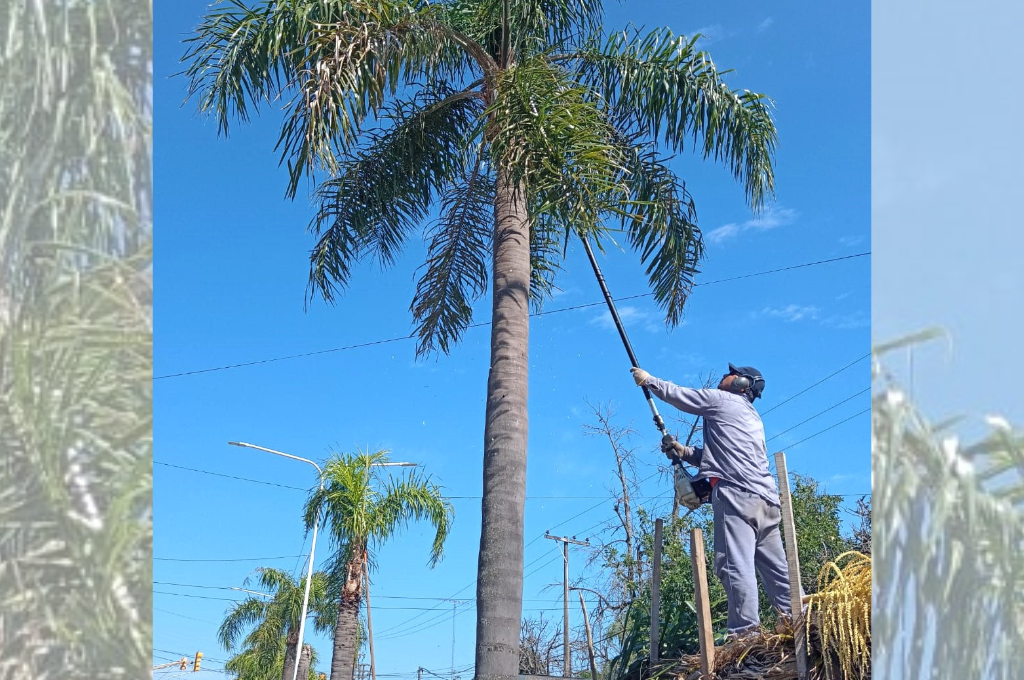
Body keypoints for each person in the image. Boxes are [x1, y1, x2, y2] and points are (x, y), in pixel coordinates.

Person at [630, 362, 795, 638]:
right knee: (777, 571)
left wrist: (649, 381)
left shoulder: (723, 401)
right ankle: (798, 621)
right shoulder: (752, 417)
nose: (723, 376)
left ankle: (745, 635)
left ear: (743, 384)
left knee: (734, 565)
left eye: (730, 373)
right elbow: (719, 455)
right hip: (766, 502)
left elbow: (681, 396)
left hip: (737, 498)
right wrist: (683, 452)